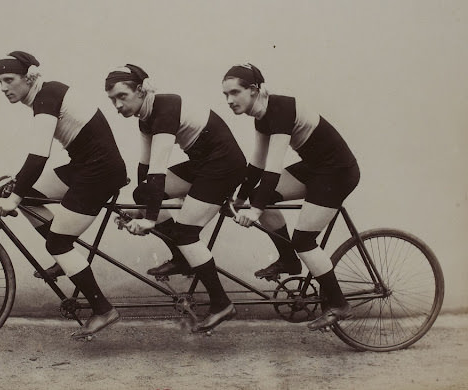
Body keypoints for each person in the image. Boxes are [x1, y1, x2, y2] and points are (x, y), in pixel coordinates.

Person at [0, 51, 127, 339]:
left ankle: (103, 309)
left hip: (99, 173)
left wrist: (13, 198)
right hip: (85, 166)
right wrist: (16, 190)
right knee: (28, 194)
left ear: (28, 78)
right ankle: (66, 257)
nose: (3, 88)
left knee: (56, 241)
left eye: (9, 80)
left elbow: (39, 155)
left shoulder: (47, 96)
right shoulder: (44, 95)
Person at [104, 64, 246, 333]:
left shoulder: (164, 109)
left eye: (122, 96)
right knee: (142, 192)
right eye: (112, 99)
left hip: (224, 165)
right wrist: (141, 207)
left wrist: (150, 218)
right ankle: (182, 258)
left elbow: (158, 168)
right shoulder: (145, 117)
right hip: (203, 164)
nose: (117, 105)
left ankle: (221, 303)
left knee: (186, 234)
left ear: (141, 90)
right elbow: (145, 170)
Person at [221, 63, 360, 330]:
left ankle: (339, 304)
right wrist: (240, 200)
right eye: (225, 95)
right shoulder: (261, 116)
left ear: (253, 90)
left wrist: (256, 212)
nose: (229, 100)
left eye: (234, 93)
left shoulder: (281, 109)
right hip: (315, 167)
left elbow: (273, 166)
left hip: (337, 172)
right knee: (265, 195)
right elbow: (257, 165)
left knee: (304, 240)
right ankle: (288, 259)